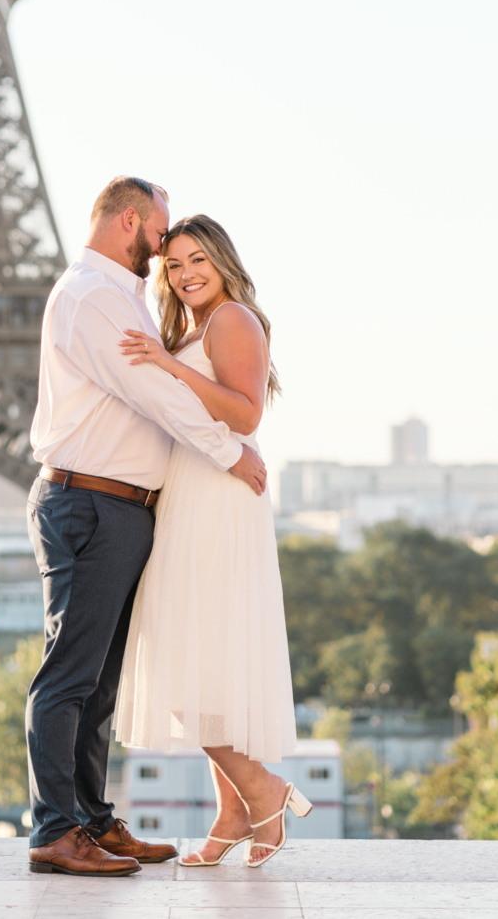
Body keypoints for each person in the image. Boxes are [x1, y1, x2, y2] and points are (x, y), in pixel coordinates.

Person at [25, 179, 268, 878]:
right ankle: (56, 830)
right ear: (129, 220)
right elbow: (152, 392)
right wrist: (228, 452)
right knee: (70, 676)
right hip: (91, 503)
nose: (165, 252)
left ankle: (91, 822)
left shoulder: (124, 296)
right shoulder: (92, 295)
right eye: (160, 236)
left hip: (122, 507)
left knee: (95, 681)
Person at [113, 214, 310, 868]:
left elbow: (245, 411)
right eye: (172, 265)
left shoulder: (230, 320)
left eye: (196, 259)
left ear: (221, 261)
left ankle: (263, 790)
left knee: (186, 662)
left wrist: (170, 366)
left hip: (217, 497)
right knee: (204, 660)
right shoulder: (193, 327)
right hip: (192, 493)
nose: (185, 273)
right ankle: (231, 813)